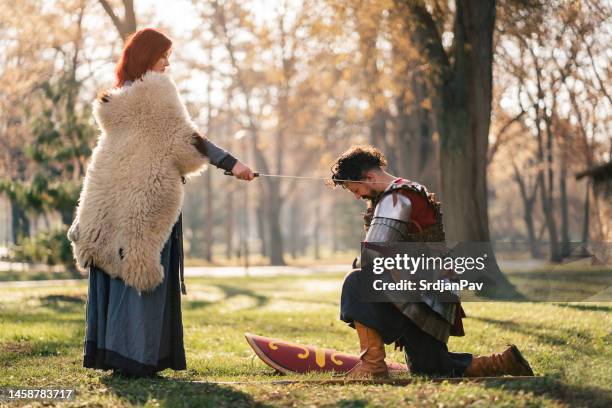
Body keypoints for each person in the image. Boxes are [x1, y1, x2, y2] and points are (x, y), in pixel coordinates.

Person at [68, 28, 255, 377]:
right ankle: (139, 357)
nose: (168, 63)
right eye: (164, 55)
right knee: (140, 272)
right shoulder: (157, 93)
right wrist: (233, 164)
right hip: (144, 205)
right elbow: (186, 141)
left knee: (116, 272)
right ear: (147, 55)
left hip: (106, 205)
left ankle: (112, 355)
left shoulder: (118, 97)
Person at [330, 145, 534, 379]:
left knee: (356, 282)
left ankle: (372, 366)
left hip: (423, 292)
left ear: (370, 177)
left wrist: (358, 267)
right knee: (430, 368)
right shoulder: (411, 189)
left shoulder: (395, 199)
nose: (357, 196)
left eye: (356, 189)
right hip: (431, 290)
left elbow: (372, 256)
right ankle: (504, 362)